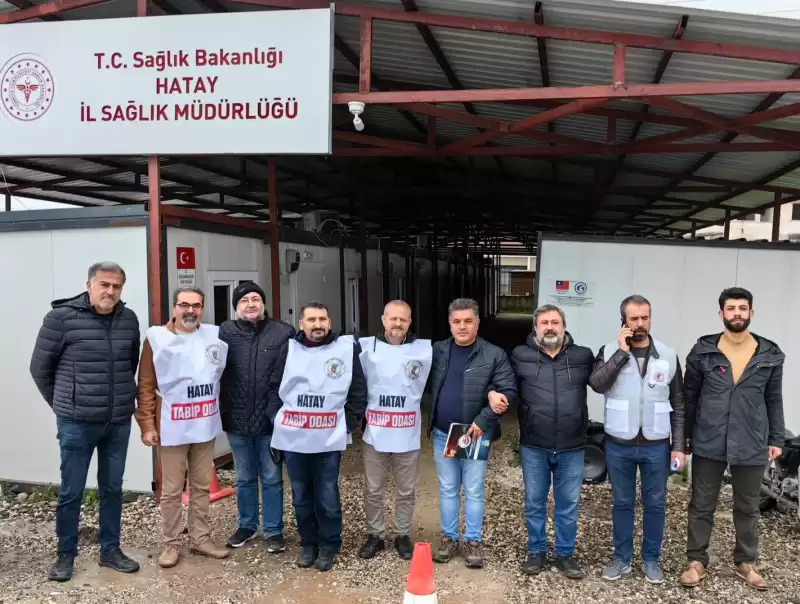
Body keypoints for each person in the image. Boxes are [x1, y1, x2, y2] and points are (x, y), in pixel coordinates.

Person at [29, 261, 142, 582]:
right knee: (71, 490)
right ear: (89, 284)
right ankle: (66, 556)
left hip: (117, 421)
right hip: (76, 423)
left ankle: (110, 550)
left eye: (117, 286)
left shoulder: (128, 319)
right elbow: (40, 369)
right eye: (104, 284)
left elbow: (129, 363)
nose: (110, 291)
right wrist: (65, 405)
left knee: (112, 488)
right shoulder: (61, 319)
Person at [680, 287, 785, 591]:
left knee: (748, 505)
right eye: (731, 308)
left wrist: (776, 436)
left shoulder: (769, 354)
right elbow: (690, 396)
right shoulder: (702, 352)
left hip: (751, 439)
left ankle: (745, 562)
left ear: (751, 313)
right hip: (709, 438)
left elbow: (774, 400)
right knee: (701, 504)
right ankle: (696, 560)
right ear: (721, 314)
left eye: (742, 308)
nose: (737, 313)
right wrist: (685, 436)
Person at [588, 294, 686, 584]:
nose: (641, 323)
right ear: (624, 321)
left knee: (656, 504)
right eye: (634, 318)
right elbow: (597, 384)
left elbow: (679, 403)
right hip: (619, 444)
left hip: (657, 444)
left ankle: (651, 560)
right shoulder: (608, 350)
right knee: (622, 503)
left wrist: (679, 445)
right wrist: (620, 353)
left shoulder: (668, 355)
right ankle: (621, 559)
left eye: (645, 317)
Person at [135, 286, 231, 568]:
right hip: (172, 426)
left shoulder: (213, 336)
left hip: (204, 423)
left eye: (196, 305)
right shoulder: (157, 338)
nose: (190, 310)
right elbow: (146, 385)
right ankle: (171, 544)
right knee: (172, 490)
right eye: (184, 304)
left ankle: (201, 539)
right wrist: (146, 424)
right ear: (174, 307)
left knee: (202, 485)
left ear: (202, 308)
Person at [270, 301, 368, 572]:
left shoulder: (345, 349)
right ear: (301, 324)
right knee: (301, 494)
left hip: (328, 438)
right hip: (294, 437)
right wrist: (276, 421)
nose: (317, 325)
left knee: (326, 493)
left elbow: (358, 391)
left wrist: (346, 425)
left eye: (322, 319)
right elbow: (272, 388)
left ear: (330, 321)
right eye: (311, 319)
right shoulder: (288, 350)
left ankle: (329, 545)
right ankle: (307, 543)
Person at [428, 298, 517, 569]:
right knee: (447, 488)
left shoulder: (494, 354)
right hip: (445, 433)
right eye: (457, 322)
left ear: (478, 322)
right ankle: (449, 537)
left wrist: (483, 419)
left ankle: (473, 541)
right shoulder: (438, 351)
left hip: (476, 433)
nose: (462, 327)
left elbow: (508, 391)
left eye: (468, 321)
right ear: (450, 324)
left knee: (475, 489)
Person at [510, 304, 595, 579]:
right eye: (544, 322)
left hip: (572, 445)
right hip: (535, 443)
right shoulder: (520, 355)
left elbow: (604, 381)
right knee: (534, 502)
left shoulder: (583, 356)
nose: (550, 327)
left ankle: (565, 554)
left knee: (568, 503)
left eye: (555, 322)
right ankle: (536, 551)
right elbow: (505, 386)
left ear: (564, 326)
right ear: (535, 327)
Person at [218, 282, 296, 551]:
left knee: (272, 477)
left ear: (263, 303)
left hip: (270, 420)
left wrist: (278, 413)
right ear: (236, 307)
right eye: (243, 301)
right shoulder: (225, 333)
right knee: (244, 477)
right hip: (236, 419)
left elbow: (292, 374)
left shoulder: (283, 332)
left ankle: (274, 530)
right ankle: (247, 526)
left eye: (255, 298)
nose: (250, 304)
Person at [357, 300, 433, 561]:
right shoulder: (366, 348)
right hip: (374, 433)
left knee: (406, 490)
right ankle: (375, 534)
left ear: (410, 322)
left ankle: (402, 534)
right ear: (383, 319)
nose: (397, 324)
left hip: (407, 433)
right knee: (373, 488)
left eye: (403, 319)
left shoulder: (423, 352)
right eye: (393, 318)